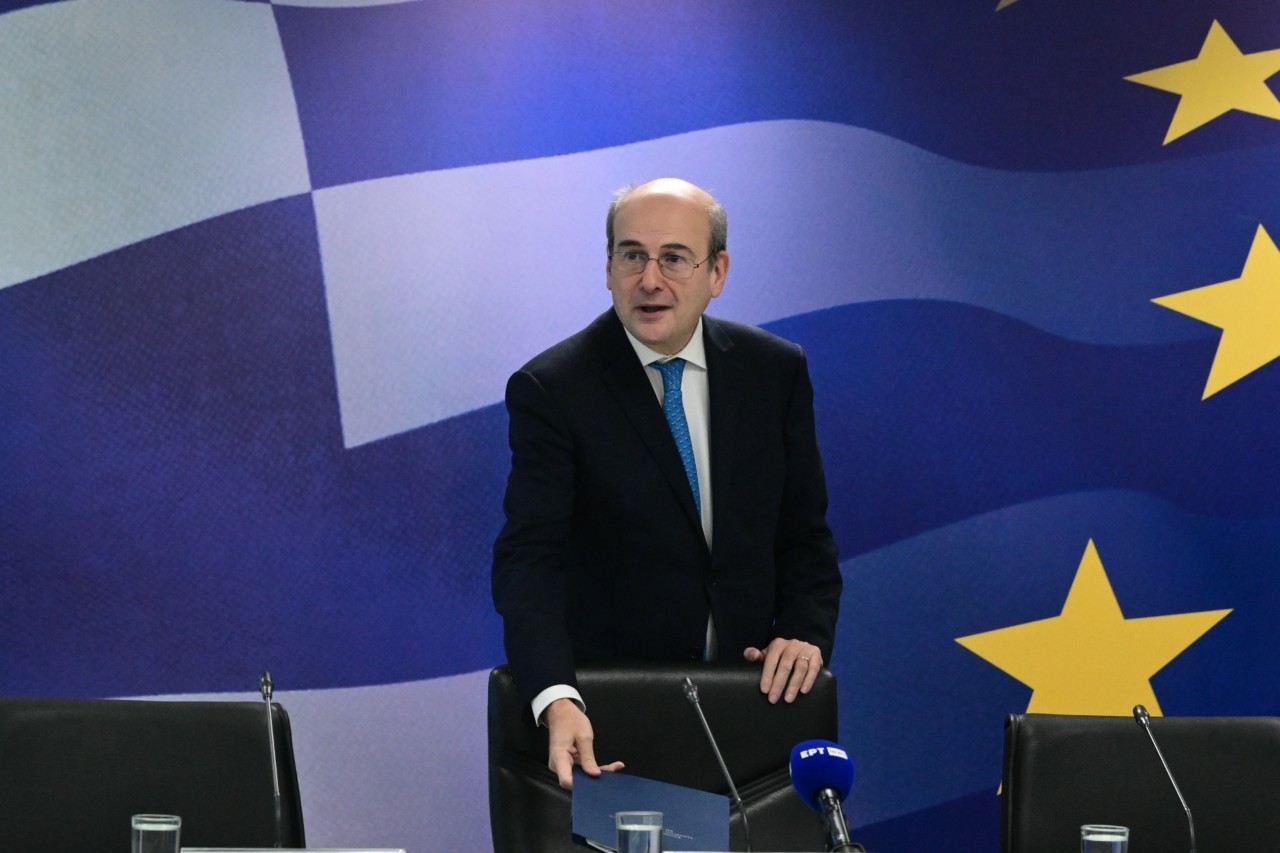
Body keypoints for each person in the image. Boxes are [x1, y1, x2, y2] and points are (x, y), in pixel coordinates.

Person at [491, 177, 842, 789]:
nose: (650, 280)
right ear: (608, 268)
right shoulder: (554, 389)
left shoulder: (774, 372)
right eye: (632, 256)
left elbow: (804, 535)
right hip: (611, 722)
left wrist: (804, 632)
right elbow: (529, 560)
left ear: (717, 271)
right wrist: (556, 694)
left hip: (754, 713)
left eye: (674, 258)